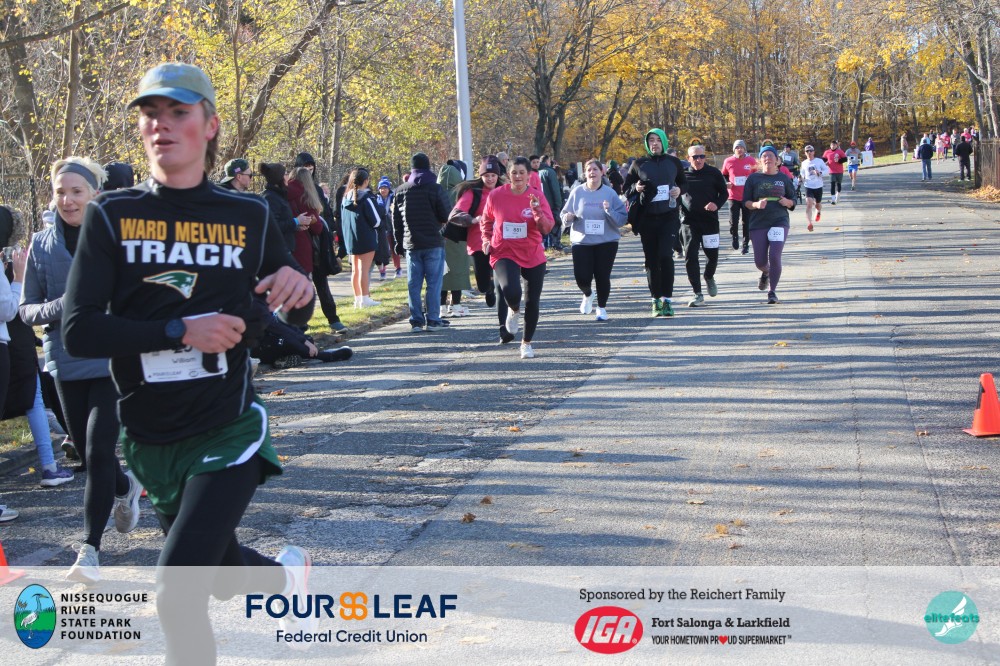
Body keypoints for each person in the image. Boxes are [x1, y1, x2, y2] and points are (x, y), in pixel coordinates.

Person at [61, 62, 316, 664]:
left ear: (210, 125)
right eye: (152, 113)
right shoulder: (111, 215)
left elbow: (287, 288)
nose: (163, 125)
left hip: (226, 426)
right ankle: (286, 578)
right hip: (151, 438)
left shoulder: (247, 214)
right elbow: (78, 331)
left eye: (179, 112)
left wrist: (296, 282)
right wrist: (179, 329)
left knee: (177, 594)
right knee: (222, 575)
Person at [20, 156, 142, 582]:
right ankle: (125, 487)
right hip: (66, 362)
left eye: (77, 191)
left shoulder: (119, 237)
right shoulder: (41, 244)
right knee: (92, 459)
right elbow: (26, 310)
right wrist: (63, 304)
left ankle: (89, 550)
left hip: (112, 360)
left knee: (98, 448)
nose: (68, 200)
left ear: (95, 194)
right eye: (61, 192)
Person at [481, 156, 554, 357]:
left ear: (529, 175)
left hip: (531, 251)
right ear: (508, 175)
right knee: (511, 291)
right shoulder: (496, 195)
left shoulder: (537, 196)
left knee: (532, 301)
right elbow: (486, 221)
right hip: (504, 250)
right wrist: (486, 239)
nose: (518, 176)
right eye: (514, 172)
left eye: (522, 173)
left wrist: (536, 210)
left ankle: (526, 343)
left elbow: (547, 228)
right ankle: (513, 309)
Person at [623, 128, 688, 316]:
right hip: (647, 218)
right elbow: (626, 189)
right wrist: (635, 188)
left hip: (669, 216)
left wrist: (679, 191)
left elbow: (684, 183)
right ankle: (655, 300)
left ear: (663, 142)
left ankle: (667, 300)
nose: (654, 143)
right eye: (651, 140)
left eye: (658, 140)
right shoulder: (639, 164)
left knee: (666, 255)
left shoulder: (673, 162)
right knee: (651, 259)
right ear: (647, 143)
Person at [560, 159, 627, 321]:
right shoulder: (577, 192)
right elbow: (564, 215)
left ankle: (601, 308)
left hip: (607, 241)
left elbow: (622, 219)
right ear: (585, 173)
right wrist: (568, 217)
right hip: (582, 241)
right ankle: (588, 293)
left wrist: (609, 210)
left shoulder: (610, 193)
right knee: (581, 277)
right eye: (589, 170)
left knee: (602, 276)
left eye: (595, 169)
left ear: (601, 172)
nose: (592, 172)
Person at [392, 152, 451, 332]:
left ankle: (416, 320)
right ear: (428, 166)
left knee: (414, 284)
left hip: (411, 243)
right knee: (434, 283)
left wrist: (398, 242)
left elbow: (396, 221)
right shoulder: (435, 188)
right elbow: (446, 215)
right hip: (433, 241)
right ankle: (433, 319)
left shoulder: (401, 190)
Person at [293, 152, 347, 332]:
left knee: (320, 282)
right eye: (306, 168)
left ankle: (332, 318)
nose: (309, 171)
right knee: (306, 285)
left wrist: (327, 229)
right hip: (304, 241)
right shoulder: (294, 191)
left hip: (318, 242)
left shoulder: (314, 188)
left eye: (311, 168)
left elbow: (325, 213)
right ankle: (303, 321)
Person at [742, 146, 796, 304]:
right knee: (760, 262)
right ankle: (766, 272)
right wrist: (756, 205)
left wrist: (787, 202)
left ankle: (772, 292)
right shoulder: (753, 179)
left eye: (771, 155)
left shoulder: (784, 178)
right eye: (764, 156)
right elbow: (746, 202)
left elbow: (793, 200)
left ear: (777, 160)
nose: (768, 158)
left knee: (774, 256)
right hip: (758, 222)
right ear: (760, 160)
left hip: (779, 220)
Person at [679, 145, 728, 307]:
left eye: (702, 156)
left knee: (712, 256)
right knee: (690, 257)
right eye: (695, 157)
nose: (699, 160)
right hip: (689, 222)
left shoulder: (713, 173)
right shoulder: (682, 175)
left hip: (709, 221)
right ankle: (697, 293)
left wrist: (716, 204)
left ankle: (709, 276)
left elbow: (724, 193)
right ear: (688, 159)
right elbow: (676, 194)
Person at [451, 156, 502, 311]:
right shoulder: (473, 192)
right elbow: (455, 214)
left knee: (504, 274)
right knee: (482, 284)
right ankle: (489, 288)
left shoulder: (504, 191)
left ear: (498, 176)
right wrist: (473, 219)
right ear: (481, 176)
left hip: (502, 241)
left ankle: (501, 292)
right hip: (478, 242)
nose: (490, 179)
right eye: (486, 175)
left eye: (493, 175)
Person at [340, 167, 382, 308]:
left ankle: (357, 299)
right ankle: (365, 299)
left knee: (355, 270)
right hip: (366, 238)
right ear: (366, 181)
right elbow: (376, 221)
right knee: (364, 270)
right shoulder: (366, 198)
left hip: (350, 238)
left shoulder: (345, 198)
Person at [251, 312, 352, 366]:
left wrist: (305, 339)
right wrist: (304, 341)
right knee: (288, 340)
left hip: (270, 339)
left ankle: (284, 359)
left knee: (308, 339)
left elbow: (284, 324)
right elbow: (273, 326)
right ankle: (325, 356)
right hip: (256, 347)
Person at [437, 160, 473, 317]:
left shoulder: (435, 191)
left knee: (441, 273)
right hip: (457, 237)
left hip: (438, 237)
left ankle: (441, 307)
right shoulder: (461, 193)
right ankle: (456, 305)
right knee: (458, 270)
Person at [720, 140, 757, 254]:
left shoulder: (751, 160)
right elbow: (724, 175)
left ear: (745, 149)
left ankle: (745, 244)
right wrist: (726, 182)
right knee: (733, 221)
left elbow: (756, 175)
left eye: (741, 147)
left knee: (747, 221)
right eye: (737, 148)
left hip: (747, 196)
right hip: (733, 196)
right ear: (734, 150)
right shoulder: (728, 161)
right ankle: (734, 237)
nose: (739, 149)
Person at [259, 162, 302, 255]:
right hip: (278, 251)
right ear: (279, 179)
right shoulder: (271, 197)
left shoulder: (278, 195)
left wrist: (296, 226)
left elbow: (282, 221)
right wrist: (296, 221)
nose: (288, 177)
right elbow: (273, 226)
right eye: (285, 174)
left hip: (283, 248)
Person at [374, 176, 401, 279]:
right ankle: (382, 271)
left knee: (394, 248)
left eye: (385, 188)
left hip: (392, 226)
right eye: (381, 188)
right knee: (382, 249)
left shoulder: (393, 197)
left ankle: (398, 269)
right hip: (381, 227)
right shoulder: (375, 198)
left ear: (389, 188)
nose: (383, 190)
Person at [539, 155, 565, 250]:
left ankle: (546, 244)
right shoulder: (550, 172)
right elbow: (555, 190)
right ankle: (555, 244)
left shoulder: (537, 172)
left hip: (540, 204)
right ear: (547, 161)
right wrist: (558, 204)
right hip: (551, 204)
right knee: (555, 223)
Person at [800, 145, 829, 231]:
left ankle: (818, 211)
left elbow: (827, 170)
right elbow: (802, 173)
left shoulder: (819, 161)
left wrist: (820, 173)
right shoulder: (804, 163)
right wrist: (801, 178)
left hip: (818, 186)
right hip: (808, 186)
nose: (809, 152)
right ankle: (810, 223)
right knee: (809, 203)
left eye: (811, 151)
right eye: (807, 151)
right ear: (805, 153)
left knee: (817, 204)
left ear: (814, 152)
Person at [822, 140, 847, 205]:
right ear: (830, 146)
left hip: (839, 171)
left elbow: (845, 159)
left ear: (836, 146)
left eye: (834, 145)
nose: (833, 146)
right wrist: (825, 163)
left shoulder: (840, 151)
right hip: (831, 171)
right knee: (832, 184)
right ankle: (833, 200)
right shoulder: (827, 152)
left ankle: (838, 195)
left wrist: (839, 160)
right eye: (832, 145)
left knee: (839, 184)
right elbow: (823, 160)